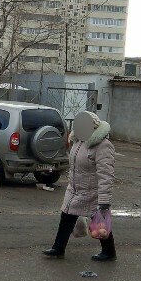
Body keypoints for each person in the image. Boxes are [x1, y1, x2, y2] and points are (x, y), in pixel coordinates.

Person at [42, 110, 117, 262]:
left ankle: (109, 252)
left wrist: (104, 200)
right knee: (66, 216)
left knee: (100, 224)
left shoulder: (103, 146)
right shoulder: (78, 141)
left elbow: (106, 175)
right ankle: (58, 249)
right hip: (75, 189)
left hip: (92, 191)